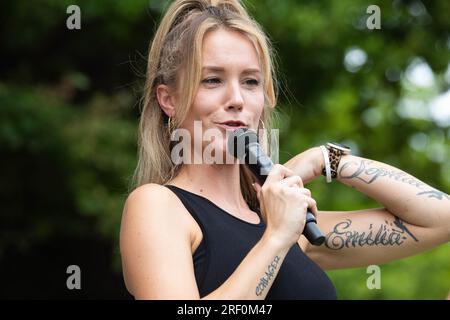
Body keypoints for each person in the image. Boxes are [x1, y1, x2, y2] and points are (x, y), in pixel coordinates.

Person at [119, 0, 450, 299]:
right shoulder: (159, 206)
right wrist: (276, 239)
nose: (236, 99)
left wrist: (326, 160)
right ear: (169, 99)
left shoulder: (282, 222)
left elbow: (439, 220)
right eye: (212, 80)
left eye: (251, 82)